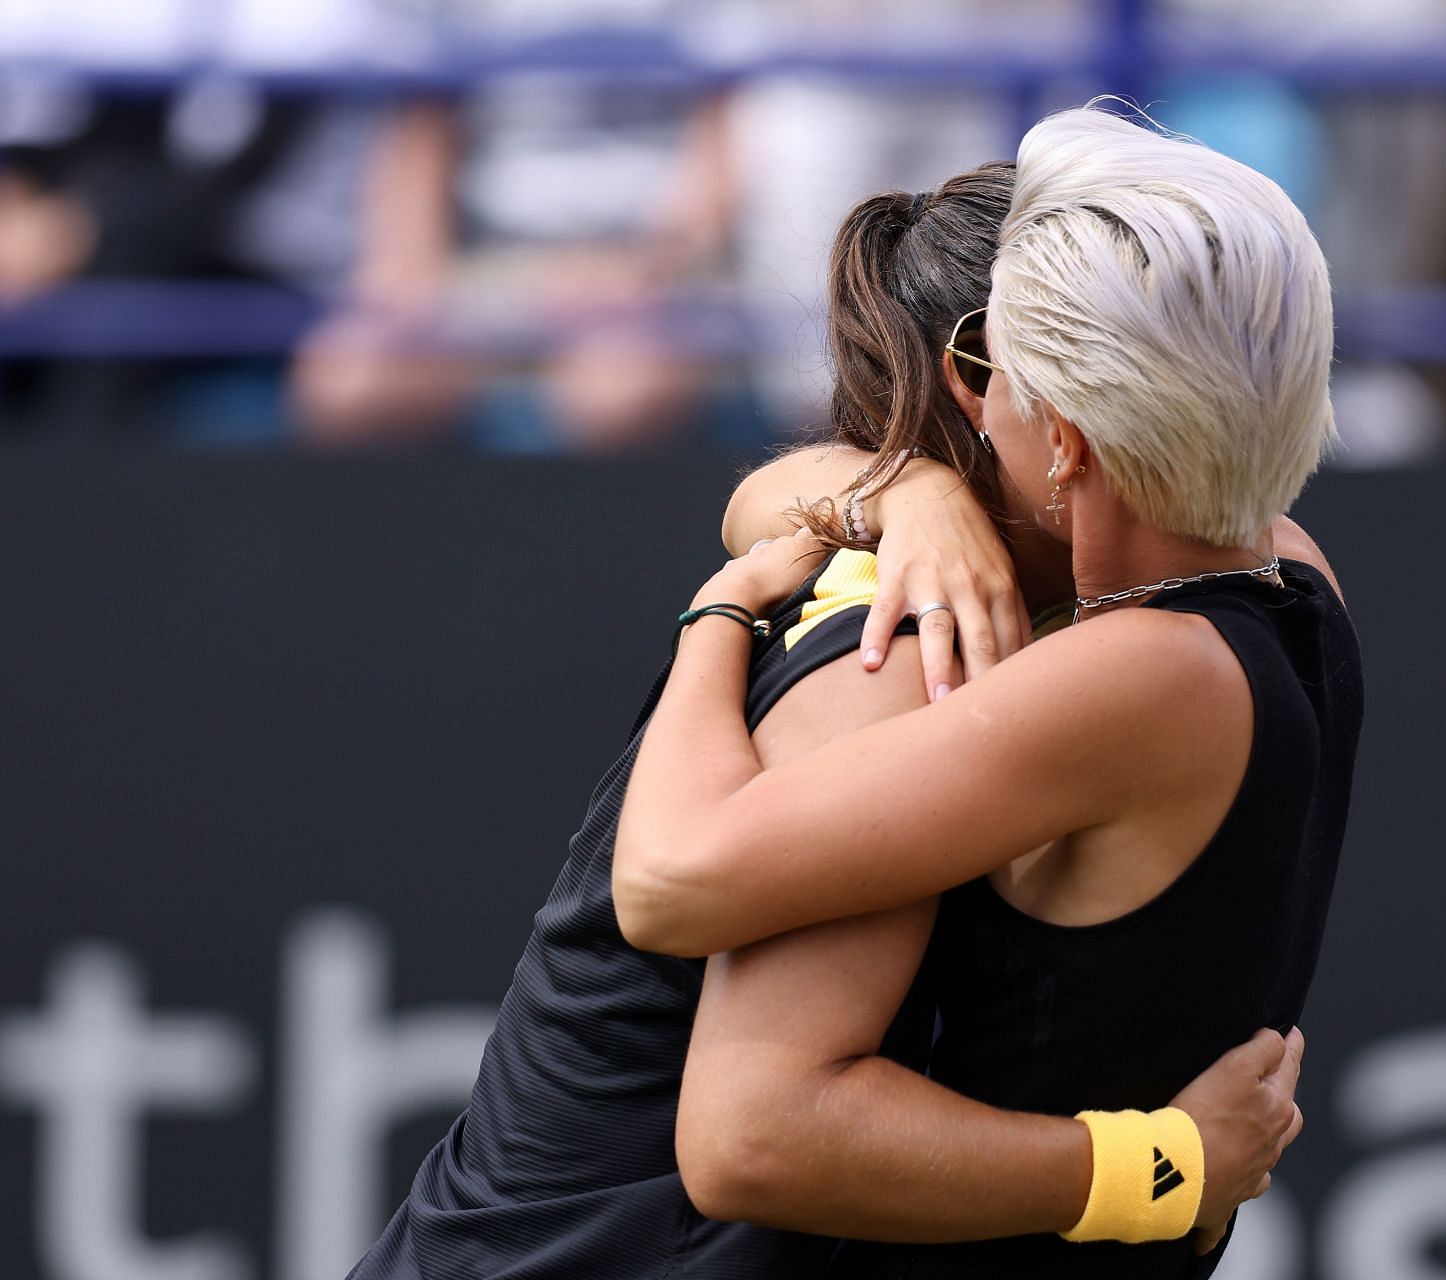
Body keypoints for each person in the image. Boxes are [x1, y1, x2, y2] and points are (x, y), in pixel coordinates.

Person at [349, 155, 1306, 1280]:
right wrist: (1165, 1167)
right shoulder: (902, 647)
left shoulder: (1136, 599)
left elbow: (763, 496)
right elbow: (746, 1103)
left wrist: (902, 488)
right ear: (988, 389)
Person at [614, 105, 1363, 1278]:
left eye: (993, 377)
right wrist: (909, 491)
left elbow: (670, 888)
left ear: (1061, 437)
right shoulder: (1292, 569)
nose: (970, 398)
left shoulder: (1136, 677)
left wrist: (719, 613)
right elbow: (795, 482)